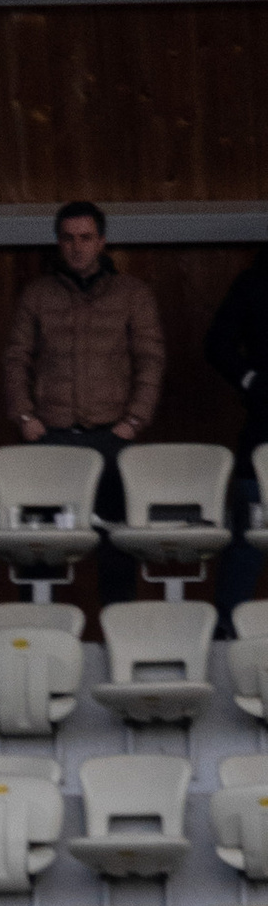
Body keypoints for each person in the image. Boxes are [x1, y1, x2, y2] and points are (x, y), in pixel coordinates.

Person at [3, 201, 164, 589]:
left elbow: (150, 358)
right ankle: (39, 636)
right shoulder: (38, 294)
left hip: (111, 434)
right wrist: (25, 416)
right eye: (69, 238)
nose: (77, 247)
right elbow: (16, 357)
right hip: (51, 436)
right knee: (40, 546)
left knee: (117, 547)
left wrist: (134, 420)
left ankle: (117, 635)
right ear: (58, 242)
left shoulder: (132, 293)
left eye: (86, 238)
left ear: (102, 241)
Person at [203, 246, 268, 628]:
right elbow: (217, 343)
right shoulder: (254, 283)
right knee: (247, 540)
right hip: (263, 429)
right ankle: (226, 635)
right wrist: (251, 380)